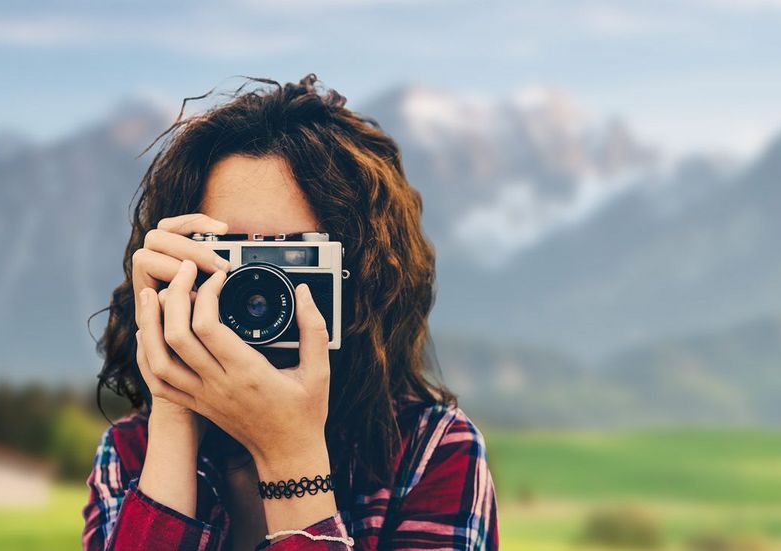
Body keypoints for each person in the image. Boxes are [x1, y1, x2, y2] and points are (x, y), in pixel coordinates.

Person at [84, 75, 498, 550]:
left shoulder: (431, 453)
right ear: (176, 265)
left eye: (291, 257)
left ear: (358, 278)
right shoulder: (132, 455)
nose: (256, 290)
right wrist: (175, 411)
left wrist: (291, 457)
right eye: (230, 253)